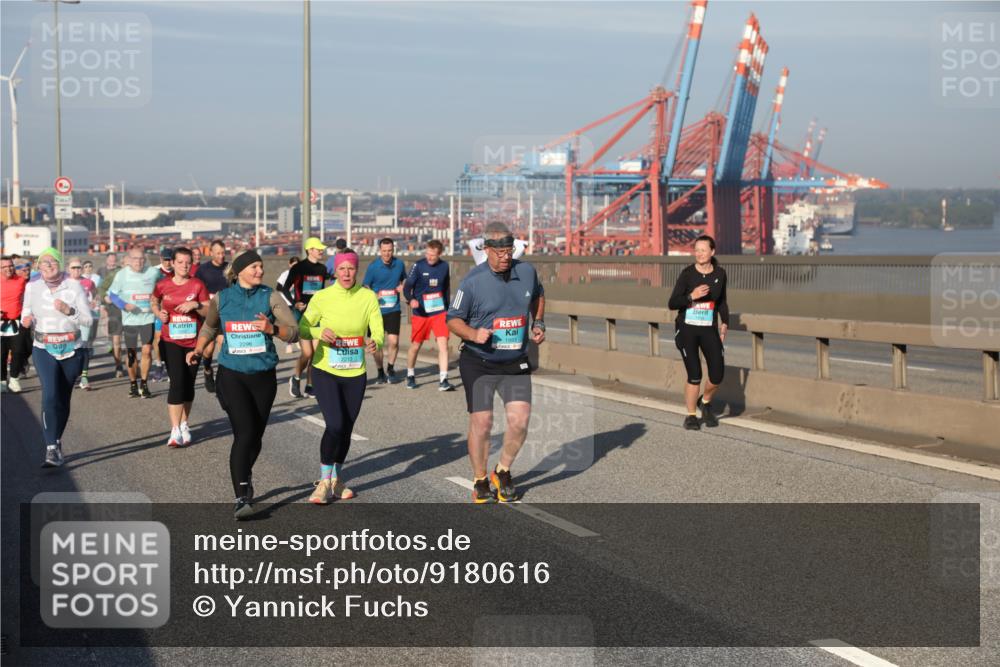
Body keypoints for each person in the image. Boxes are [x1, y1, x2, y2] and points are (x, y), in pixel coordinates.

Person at [186, 251, 299, 519]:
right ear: (238, 272)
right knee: (245, 432)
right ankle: (241, 497)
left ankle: (244, 474)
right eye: (254, 267)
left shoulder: (270, 297)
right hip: (232, 375)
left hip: (263, 376)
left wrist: (272, 330)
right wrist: (198, 350)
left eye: (261, 266)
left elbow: (294, 331)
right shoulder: (222, 298)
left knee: (255, 437)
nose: (260, 270)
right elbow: (209, 327)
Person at [446, 222, 545, 503]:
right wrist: (473, 334)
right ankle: (480, 479)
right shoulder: (473, 281)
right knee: (483, 422)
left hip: (515, 360)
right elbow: (453, 320)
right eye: (500, 252)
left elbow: (538, 294)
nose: (505, 257)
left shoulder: (526, 272)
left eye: (509, 251)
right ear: (486, 249)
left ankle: (502, 471)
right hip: (479, 361)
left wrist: (538, 322)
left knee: (520, 421)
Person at [300, 249, 383, 504]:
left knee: (346, 428)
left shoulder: (367, 297)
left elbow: (377, 329)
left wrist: (376, 342)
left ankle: (336, 479)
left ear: (357, 270)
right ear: (334, 271)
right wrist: (319, 332)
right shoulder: (322, 297)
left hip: (355, 372)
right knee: (335, 424)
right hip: (326, 369)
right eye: (342, 269)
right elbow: (303, 327)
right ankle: (324, 481)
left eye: (351, 268)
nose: (346, 273)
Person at [20, 248, 93, 467]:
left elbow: (88, 320)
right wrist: (26, 319)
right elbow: (25, 311)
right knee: (50, 395)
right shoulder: (32, 287)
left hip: (72, 348)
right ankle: (51, 447)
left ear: (60, 264)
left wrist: (69, 311)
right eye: (45, 262)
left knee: (62, 399)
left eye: (53, 261)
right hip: (43, 348)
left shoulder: (74, 286)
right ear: (39, 267)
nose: (49, 265)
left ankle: (57, 439)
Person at [667, 234, 729, 430]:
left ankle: (706, 401)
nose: (699, 254)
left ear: (712, 251)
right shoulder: (687, 274)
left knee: (717, 375)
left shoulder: (720, 274)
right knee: (695, 375)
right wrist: (691, 296)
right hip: (687, 329)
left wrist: (725, 322)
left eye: (703, 250)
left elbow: (722, 302)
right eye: (697, 250)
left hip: (708, 329)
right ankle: (691, 416)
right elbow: (672, 303)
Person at [152, 247, 209, 447]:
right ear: (173, 263)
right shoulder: (163, 284)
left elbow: (208, 310)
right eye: (180, 262)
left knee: (188, 383)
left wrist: (196, 306)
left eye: (188, 262)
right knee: (177, 382)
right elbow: (154, 301)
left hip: (193, 342)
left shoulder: (197, 284)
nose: (184, 266)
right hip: (171, 340)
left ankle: (185, 424)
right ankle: (175, 430)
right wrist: (159, 313)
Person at [108, 247, 161, 398]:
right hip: (129, 319)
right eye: (135, 259)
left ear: (145, 259)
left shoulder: (153, 272)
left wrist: (158, 301)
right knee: (131, 354)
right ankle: (133, 384)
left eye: (141, 258)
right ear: (129, 260)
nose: (139, 262)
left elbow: (164, 287)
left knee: (147, 350)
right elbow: (112, 295)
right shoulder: (122, 274)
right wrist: (124, 305)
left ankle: (144, 384)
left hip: (147, 318)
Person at [281, 237, 329, 398]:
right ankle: (295, 378)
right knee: (307, 353)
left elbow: (321, 292)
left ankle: (310, 385)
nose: (321, 251)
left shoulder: (322, 269)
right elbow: (285, 288)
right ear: (309, 250)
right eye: (318, 248)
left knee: (315, 353)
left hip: (318, 314)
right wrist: (295, 303)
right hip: (303, 314)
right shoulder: (298, 268)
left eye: (321, 249)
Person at [403, 239, 454, 391]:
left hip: (439, 312)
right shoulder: (418, 266)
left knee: (443, 345)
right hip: (421, 313)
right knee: (415, 346)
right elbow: (407, 288)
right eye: (427, 254)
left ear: (440, 254)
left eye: (433, 255)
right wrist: (411, 299)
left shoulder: (445, 266)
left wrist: (448, 309)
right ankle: (410, 374)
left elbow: (446, 288)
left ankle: (443, 380)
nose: (429, 257)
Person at [362, 238, 405, 384]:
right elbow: (365, 286)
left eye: (390, 251)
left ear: (393, 250)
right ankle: (380, 371)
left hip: (393, 308)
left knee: (394, 342)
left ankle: (390, 369)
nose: (387, 254)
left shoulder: (399, 264)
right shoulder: (373, 267)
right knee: (376, 344)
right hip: (376, 311)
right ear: (380, 250)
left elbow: (404, 280)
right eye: (384, 251)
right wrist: (373, 294)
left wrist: (403, 286)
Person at [195, 240, 229, 393]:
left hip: (225, 314)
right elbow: (196, 290)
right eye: (218, 253)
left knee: (225, 346)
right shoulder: (203, 270)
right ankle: (208, 370)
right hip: (208, 314)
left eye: (223, 253)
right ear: (211, 253)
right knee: (208, 351)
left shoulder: (229, 268)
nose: (221, 256)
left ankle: (224, 379)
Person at [65, 258, 98, 390]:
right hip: (68, 320)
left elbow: (96, 295)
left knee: (84, 346)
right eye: (73, 267)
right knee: (70, 348)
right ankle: (70, 375)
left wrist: (95, 302)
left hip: (84, 318)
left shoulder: (88, 282)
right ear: (68, 269)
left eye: (79, 267)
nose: (76, 270)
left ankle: (84, 377)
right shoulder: (63, 283)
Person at [1, 255, 27, 393]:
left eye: (10, 265)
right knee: (2, 353)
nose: (8, 269)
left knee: (18, 351)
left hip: (16, 320)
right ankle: (2, 381)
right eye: (4, 267)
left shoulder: (21, 281)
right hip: (1, 321)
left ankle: (14, 380)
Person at [149, 248, 175, 382]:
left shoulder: (178, 270)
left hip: (175, 310)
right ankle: (159, 365)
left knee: (173, 339)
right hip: (160, 309)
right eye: (165, 260)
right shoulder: (154, 271)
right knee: (158, 339)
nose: (168, 262)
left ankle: (171, 367)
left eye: (170, 260)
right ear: (161, 259)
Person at [98, 252, 125, 377]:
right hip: (115, 309)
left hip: (132, 311)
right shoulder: (114, 273)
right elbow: (101, 288)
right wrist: (104, 298)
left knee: (131, 342)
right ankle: (119, 366)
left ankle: (133, 365)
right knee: (116, 340)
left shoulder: (137, 275)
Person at [276, 256, 300, 354]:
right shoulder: (285, 274)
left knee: (297, 322)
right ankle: (289, 344)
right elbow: (278, 287)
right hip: (286, 302)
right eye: (293, 265)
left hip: (297, 302)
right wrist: (287, 288)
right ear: (289, 264)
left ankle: (297, 339)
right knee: (289, 324)